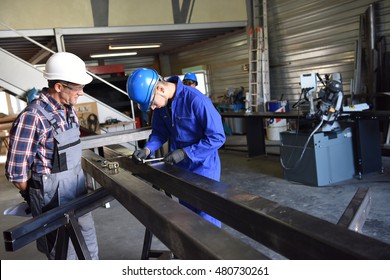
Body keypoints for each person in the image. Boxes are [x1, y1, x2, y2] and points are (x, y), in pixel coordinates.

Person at [5, 52, 99, 260]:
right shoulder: (32, 117)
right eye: (77, 88)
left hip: (78, 190)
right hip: (52, 199)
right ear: (58, 86)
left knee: (89, 249)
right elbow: (17, 173)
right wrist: (35, 196)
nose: (81, 93)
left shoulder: (69, 110)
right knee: (65, 255)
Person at [127, 68, 226, 227]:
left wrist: (186, 153)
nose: (152, 108)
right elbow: (159, 133)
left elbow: (217, 137)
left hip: (204, 168)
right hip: (181, 170)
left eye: (152, 102)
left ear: (160, 89)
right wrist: (147, 149)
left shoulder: (196, 101)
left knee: (207, 221)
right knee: (188, 218)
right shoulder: (162, 106)